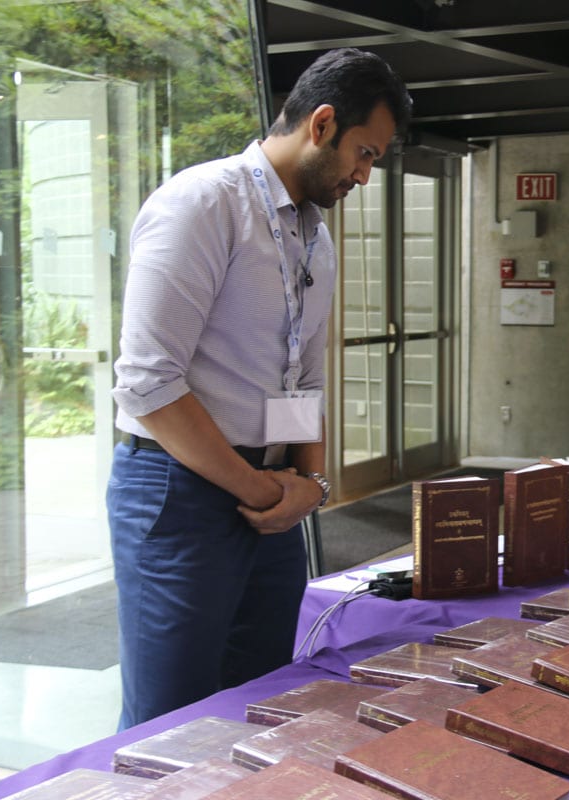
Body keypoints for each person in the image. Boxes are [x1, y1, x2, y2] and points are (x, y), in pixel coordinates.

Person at [107, 48, 411, 729]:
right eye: (363, 154)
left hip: (272, 499)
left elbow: (299, 378)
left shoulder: (314, 238)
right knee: (171, 721)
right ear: (322, 124)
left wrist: (309, 484)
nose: (364, 175)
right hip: (180, 490)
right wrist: (264, 493)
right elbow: (149, 384)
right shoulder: (202, 203)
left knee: (265, 702)